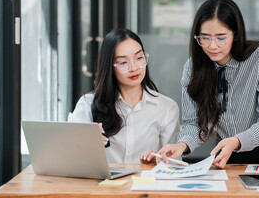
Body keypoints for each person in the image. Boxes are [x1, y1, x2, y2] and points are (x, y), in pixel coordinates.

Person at [155, 0, 259, 168]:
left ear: (235, 35)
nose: (212, 46)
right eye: (204, 38)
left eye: (221, 37)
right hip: (229, 147)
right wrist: (181, 146)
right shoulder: (192, 69)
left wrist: (237, 141)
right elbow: (194, 124)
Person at [68, 28, 180, 164]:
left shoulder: (166, 108)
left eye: (139, 58)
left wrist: (158, 161)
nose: (134, 68)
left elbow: (174, 163)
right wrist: (84, 141)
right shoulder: (88, 104)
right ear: (109, 66)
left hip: (146, 183)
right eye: (123, 63)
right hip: (102, 184)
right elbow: (69, 157)